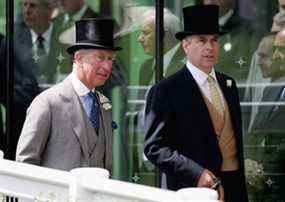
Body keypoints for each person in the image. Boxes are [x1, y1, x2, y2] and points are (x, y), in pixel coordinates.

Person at [144, 5, 248, 202]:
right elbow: (154, 147)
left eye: (214, 40)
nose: (210, 47)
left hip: (234, 187)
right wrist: (197, 173)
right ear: (185, 45)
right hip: (192, 190)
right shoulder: (166, 90)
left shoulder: (229, 85)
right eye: (201, 40)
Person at [16, 18, 121, 171]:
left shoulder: (105, 106)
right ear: (78, 58)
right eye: (100, 57)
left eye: (110, 59)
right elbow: (25, 165)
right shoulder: (47, 103)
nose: (107, 66)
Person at [137, 8, 185, 86]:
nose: (140, 39)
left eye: (146, 33)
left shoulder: (185, 67)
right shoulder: (145, 67)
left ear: (165, 35)